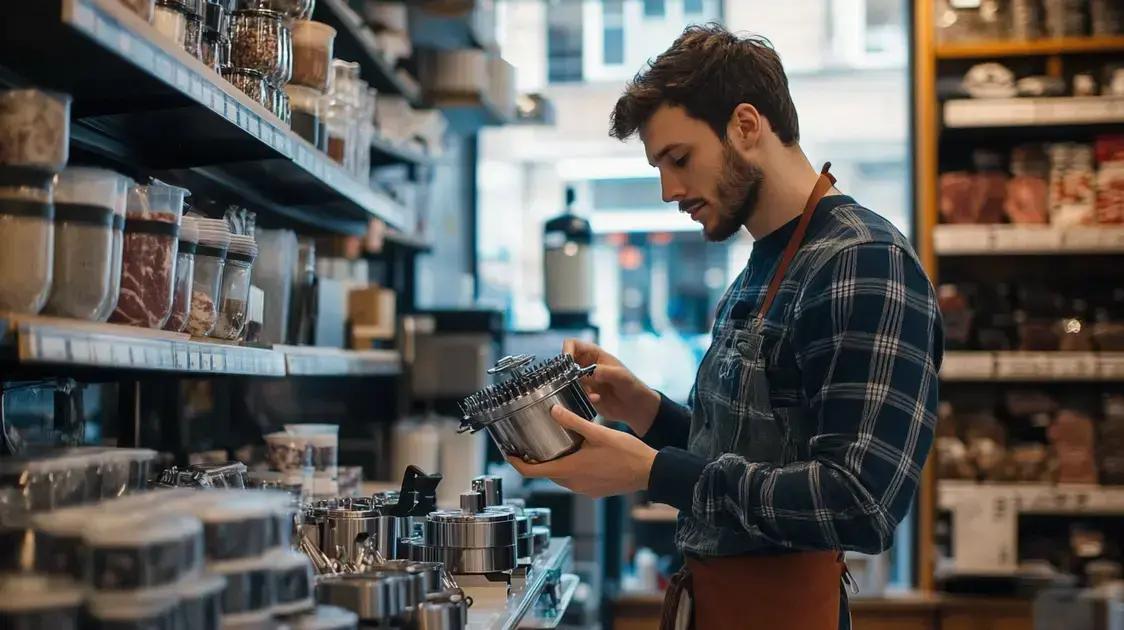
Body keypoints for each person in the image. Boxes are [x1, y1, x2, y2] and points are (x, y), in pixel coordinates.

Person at [508, 24, 944, 630]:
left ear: (746, 125)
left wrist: (652, 471)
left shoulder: (863, 262)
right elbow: (750, 454)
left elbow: (860, 502)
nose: (668, 191)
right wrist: (647, 412)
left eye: (679, 159)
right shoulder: (763, 262)